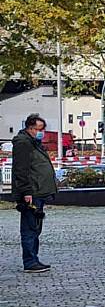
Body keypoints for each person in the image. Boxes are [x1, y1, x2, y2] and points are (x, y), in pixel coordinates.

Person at [11, 114, 57, 273]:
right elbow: (21, 170)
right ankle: (30, 261)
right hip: (32, 192)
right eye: (39, 129)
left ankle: (33, 259)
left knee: (35, 227)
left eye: (42, 129)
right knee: (30, 227)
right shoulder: (23, 143)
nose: (42, 132)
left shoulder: (33, 142)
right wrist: (26, 192)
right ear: (30, 128)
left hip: (38, 191)